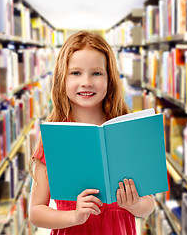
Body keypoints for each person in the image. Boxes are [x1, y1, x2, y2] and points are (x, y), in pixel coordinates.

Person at [29, 31, 155, 234]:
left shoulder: (128, 133)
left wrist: (134, 205)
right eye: (76, 73)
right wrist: (74, 216)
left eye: (96, 73)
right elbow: (36, 212)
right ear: (63, 79)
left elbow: (149, 205)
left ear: (109, 78)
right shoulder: (54, 138)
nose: (86, 82)